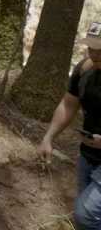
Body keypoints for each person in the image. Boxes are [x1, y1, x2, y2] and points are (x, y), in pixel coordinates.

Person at [38, 21, 101, 229]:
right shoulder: (84, 69)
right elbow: (68, 104)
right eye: (91, 47)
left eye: (99, 49)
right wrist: (49, 137)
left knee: (85, 215)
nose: (93, 54)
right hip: (88, 156)